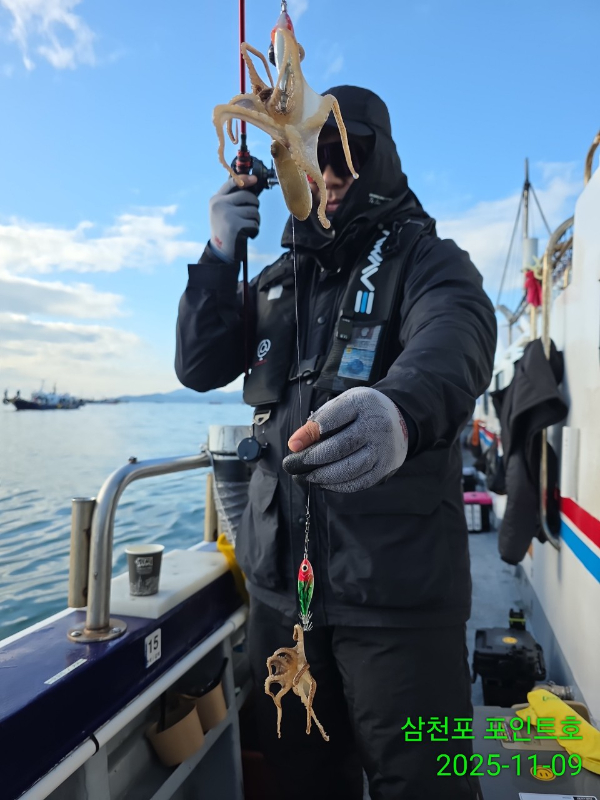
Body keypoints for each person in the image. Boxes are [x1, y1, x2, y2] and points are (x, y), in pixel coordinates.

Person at [176, 85, 496, 800]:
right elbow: (197, 365)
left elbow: (458, 335)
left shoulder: (430, 259)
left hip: (400, 605)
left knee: (430, 786)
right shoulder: (275, 277)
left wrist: (400, 410)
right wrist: (219, 253)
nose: (329, 171)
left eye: (348, 153)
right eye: (312, 154)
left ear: (379, 157)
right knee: (299, 785)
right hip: (281, 602)